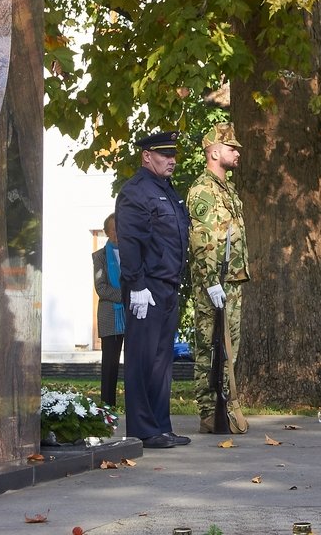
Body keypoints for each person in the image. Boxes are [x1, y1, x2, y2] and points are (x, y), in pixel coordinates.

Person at [116, 130, 191, 449]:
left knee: (162, 360)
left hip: (167, 285)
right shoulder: (137, 192)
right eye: (165, 155)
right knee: (143, 357)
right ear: (147, 156)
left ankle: (160, 425)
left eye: (173, 155)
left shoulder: (167, 190)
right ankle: (143, 429)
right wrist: (136, 285)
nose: (172, 160)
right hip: (146, 287)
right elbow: (132, 240)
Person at [186, 122, 250, 434]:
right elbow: (203, 240)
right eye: (231, 148)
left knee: (230, 350)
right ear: (213, 152)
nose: (237, 152)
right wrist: (211, 280)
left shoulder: (227, 189)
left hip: (232, 281)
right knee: (208, 347)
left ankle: (226, 404)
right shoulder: (203, 191)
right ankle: (209, 412)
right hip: (214, 283)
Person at [93, 212, 125, 407]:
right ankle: (107, 408)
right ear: (106, 232)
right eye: (113, 229)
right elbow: (101, 288)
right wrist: (127, 296)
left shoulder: (132, 252)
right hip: (110, 317)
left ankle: (135, 409)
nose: (117, 233)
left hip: (132, 315)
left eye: (120, 228)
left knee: (135, 367)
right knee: (109, 366)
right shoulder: (100, 257)